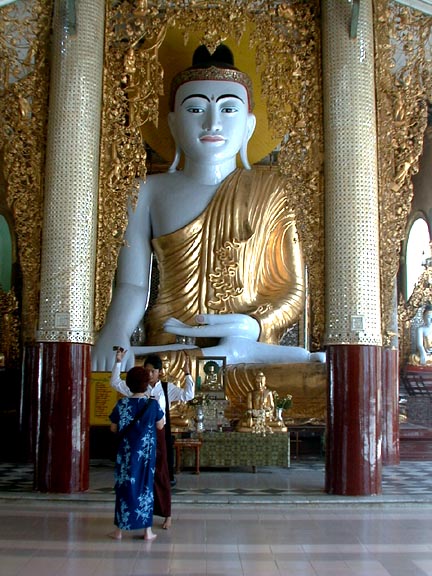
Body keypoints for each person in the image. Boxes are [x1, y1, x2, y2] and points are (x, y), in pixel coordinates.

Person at [92, 44, 325, 372]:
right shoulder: (146, 191)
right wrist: (115, 330)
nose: (213, 123)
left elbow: (292, 291)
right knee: (137, 378)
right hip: (170, 352)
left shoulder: (274, 191)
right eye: (195, 109)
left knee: (302, 381)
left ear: (249, 125)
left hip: (245, 351)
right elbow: (133, 285)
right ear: (173, 124)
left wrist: (254, 325)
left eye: (229, 110)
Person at [110, 348, 195, 529]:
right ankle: (139, 514)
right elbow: (116, 383)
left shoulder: (166, 388)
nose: (149, 374)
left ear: (160, 372)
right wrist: (118, 362)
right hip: (138, 438)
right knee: (137, 475)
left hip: (158, 435)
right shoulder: (137, 387)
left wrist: (188, 373)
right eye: (146, 370)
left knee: (161, 475)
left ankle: (166, 514)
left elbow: (188, 395)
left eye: (153, 371)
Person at [109, 366, 164, 541]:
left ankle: (119, 530)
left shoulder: (122, 404)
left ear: (129, 384)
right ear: (146, 384)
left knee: (124, 488)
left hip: (126, 454)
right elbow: (160, 425)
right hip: (146, 455)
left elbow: (113, 427)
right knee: (145, 488)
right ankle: (147, 531)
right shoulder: (152, 404)